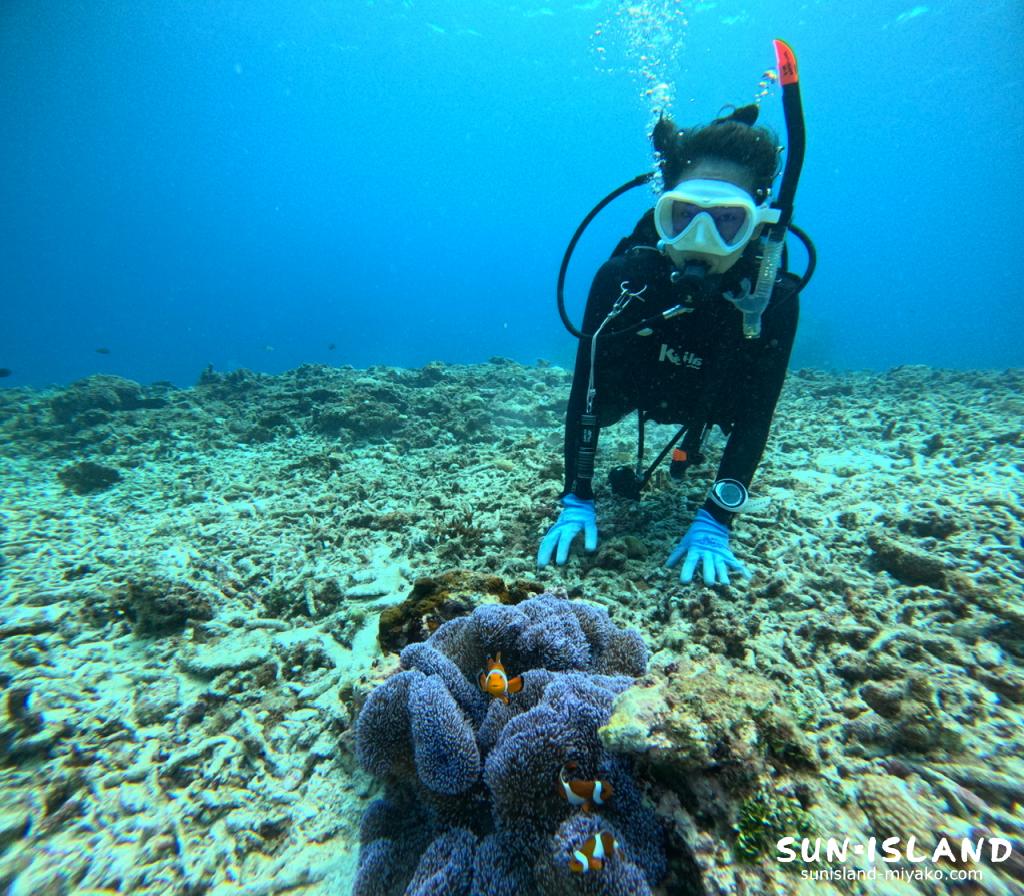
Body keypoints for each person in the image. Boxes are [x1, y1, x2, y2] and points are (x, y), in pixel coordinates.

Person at [537, 102, 806, 586]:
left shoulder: (771, 302)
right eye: (683, 216)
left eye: (727, 221)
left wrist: (716, 519)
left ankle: (697, 474)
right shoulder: (621, 281)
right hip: (637, 387)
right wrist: (577, 493)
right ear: (662, 212)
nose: (700, 239)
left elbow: (756, 416)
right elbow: (586, 394)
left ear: (758, 224)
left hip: (714, 401)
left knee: (730, 417)